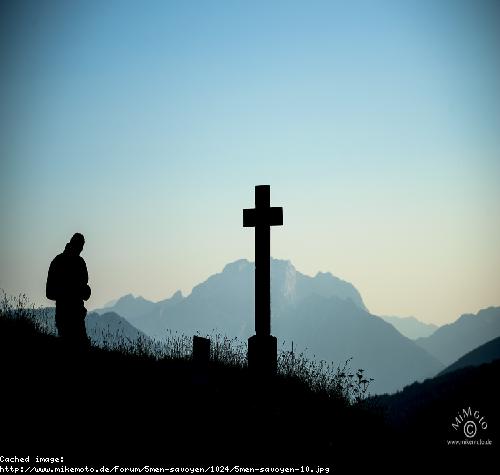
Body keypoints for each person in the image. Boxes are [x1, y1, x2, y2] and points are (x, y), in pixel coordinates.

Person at [46, 233, 91, 348]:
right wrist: (70, 292)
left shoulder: (79, 262)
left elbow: (85, 289)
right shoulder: (59, 261)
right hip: (65, 316)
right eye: (80, 246)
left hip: (77, 316)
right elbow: (49, 292)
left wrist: (84, 291)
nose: (81, 249)